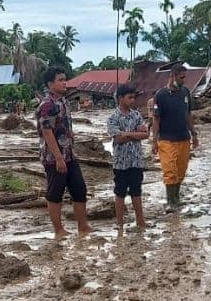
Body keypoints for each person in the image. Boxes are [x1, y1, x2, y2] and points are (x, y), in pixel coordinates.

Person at [36, 66, 93, 238]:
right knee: (55, 193)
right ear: (50, 83)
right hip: (54, 158)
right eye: (60, 80)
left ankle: (83, 226)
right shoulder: (47, 104)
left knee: (79, 189)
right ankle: (58, 230)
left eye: (64, 79)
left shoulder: (64, 101)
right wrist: (59, 158)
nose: (64, 83)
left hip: (69, 155)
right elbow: (47, 132)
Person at [151, 63, 199, 208]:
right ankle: (171, 201)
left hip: (184, 138)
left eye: (185, 77)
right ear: (172, 76)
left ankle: (176, 198)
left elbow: (188, 114)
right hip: (166, 139)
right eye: (181, 77)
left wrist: (194, 134)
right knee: (170, 171)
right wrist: (154, 140)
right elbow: (156, 119)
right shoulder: (160, 95)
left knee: (181, 170)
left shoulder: (185, 92)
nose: (184, 80)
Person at [107, 83, 149, 230]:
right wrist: (134, 134)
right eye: (130, 97)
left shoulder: (136, 115)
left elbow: (146, 134)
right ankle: (119, 223)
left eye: (134, 97)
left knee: (137, 191)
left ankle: (141, 221)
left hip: (136, 160)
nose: (133, 100)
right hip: (120, 162)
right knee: (120, 192)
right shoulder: (113, 117)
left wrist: (127, 134)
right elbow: (117, 138)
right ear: (120, 98)